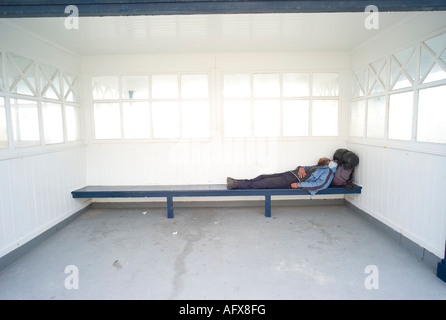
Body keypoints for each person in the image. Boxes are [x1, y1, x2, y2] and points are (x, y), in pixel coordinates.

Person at [226, 157, 338, 195]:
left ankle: (235, 184)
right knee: (262, 177)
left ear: (328, 162)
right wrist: (301, 167)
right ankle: (237, 181)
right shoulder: (320, 167)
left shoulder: (328, 173)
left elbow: (319, 185)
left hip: (294, 180)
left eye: (324, 159)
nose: (320, 158)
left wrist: (299, 185)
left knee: (263, 183)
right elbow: (303, 167)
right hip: (290, 174)